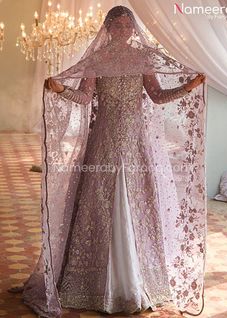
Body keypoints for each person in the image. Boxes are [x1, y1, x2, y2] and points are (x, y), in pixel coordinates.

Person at [8, 6, 206, 318]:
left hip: (136, 141)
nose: (124, 30)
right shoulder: (97, 60)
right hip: (104, 140)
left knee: (139, 201)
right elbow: (86, 99)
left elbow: (156, 96)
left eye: (129, 25)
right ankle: (90, 283)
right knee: (98, 203)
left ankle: (138, 279)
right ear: (109, 28)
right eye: (119, 25)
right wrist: (61, 90)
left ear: (133, 29)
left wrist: (188, 87)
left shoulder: (142, 58)